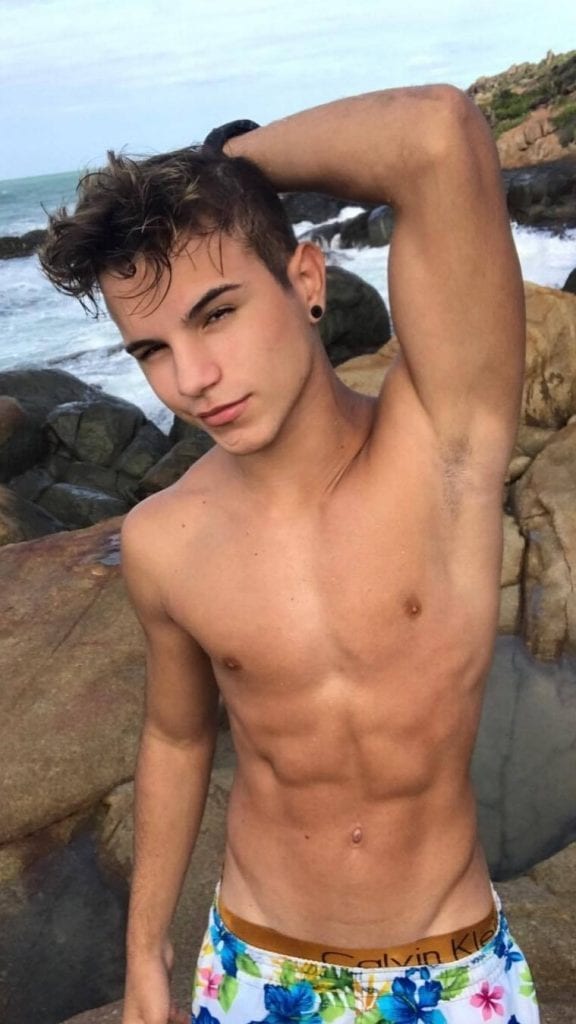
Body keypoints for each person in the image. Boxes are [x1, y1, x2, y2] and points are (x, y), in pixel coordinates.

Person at [40, 86, 540, 1024]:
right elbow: (177, 736)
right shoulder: (163, 539)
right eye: (151, 350)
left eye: (217, 313)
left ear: (308, 280)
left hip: (449, 971)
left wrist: (225, 163)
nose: (193, 380)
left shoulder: (443, 448)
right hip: (256, 969)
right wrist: (145, 952)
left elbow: (439, 134)